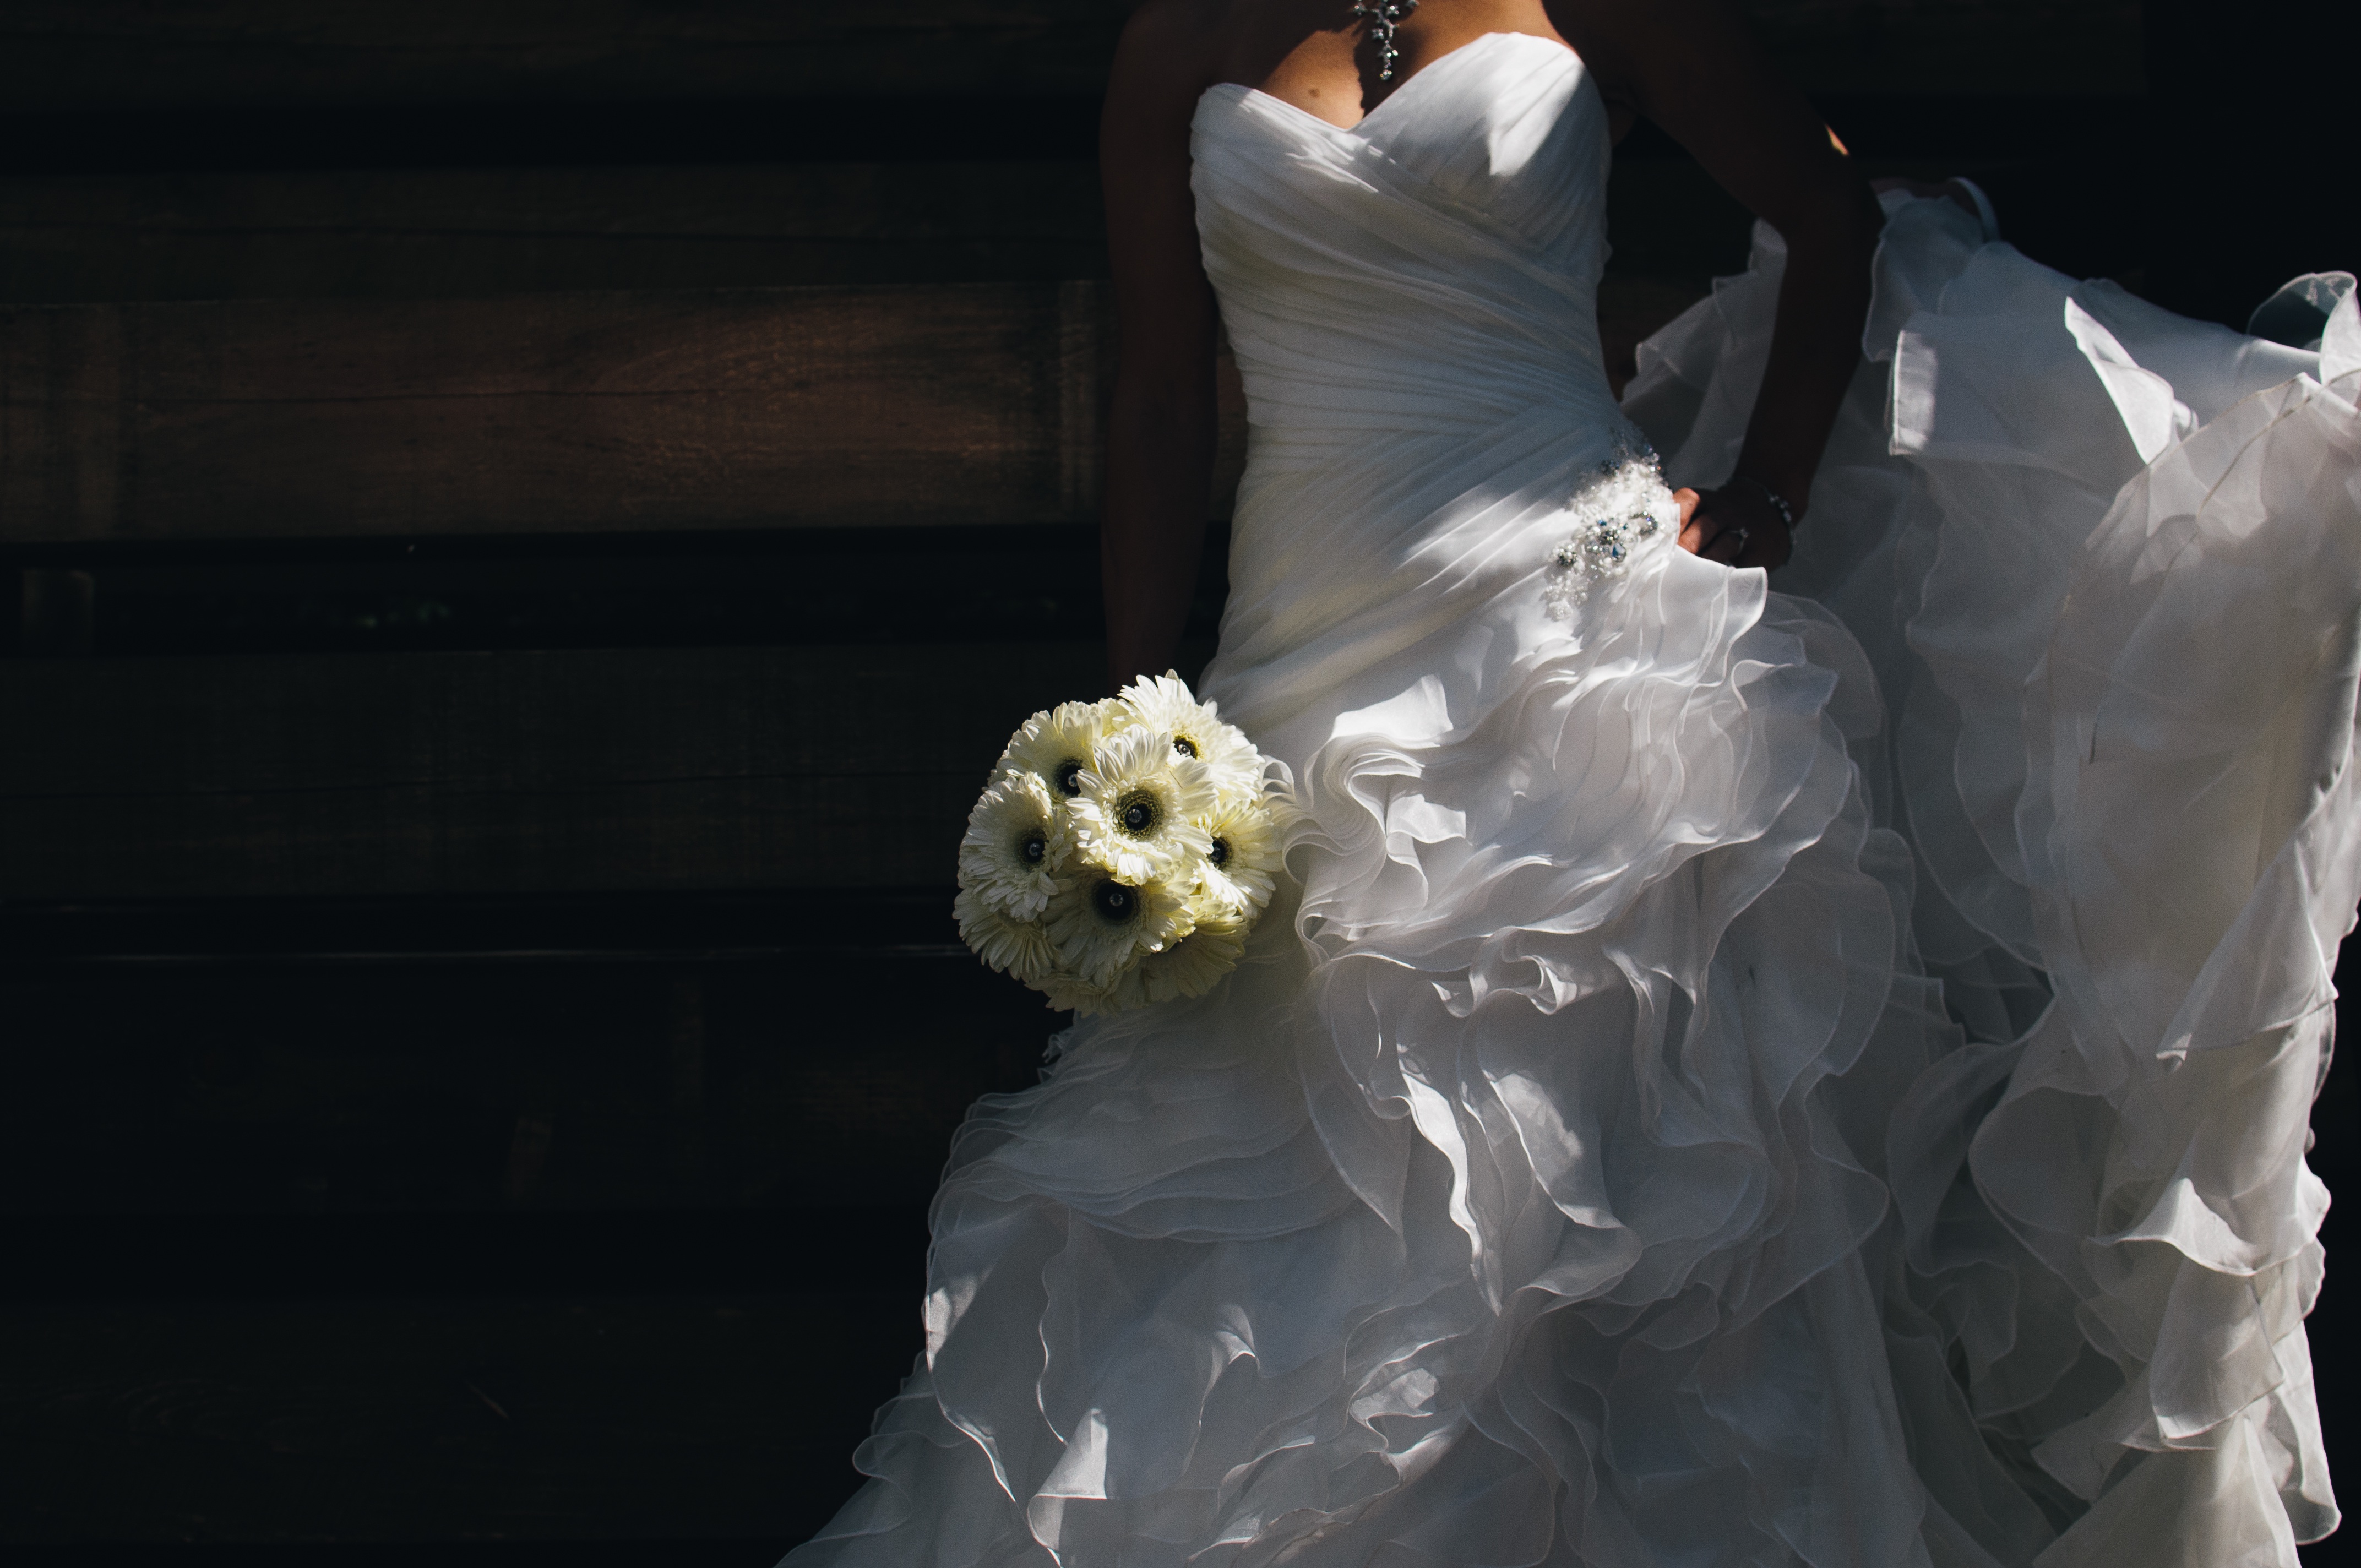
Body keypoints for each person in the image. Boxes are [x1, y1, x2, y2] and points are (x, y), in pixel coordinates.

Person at [788, 1, 2356, 1562]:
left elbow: (1825, 211)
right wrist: (1141, 710)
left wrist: (1768, 497)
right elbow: (1155, 392)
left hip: (1582, 652)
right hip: (1302, 669)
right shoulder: (1179, 34)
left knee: (1586, 1172)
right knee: (1274, 1158)